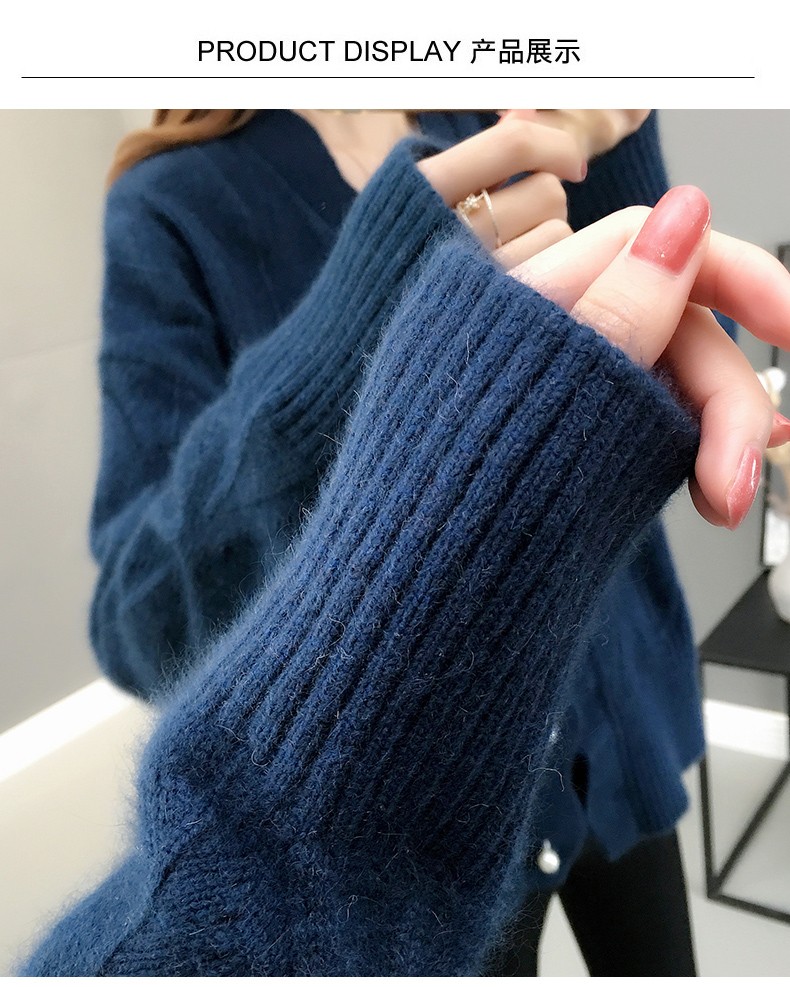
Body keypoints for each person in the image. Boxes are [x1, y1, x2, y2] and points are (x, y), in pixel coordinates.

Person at [17, 112, 790, 976]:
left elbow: (682, 355)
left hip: (616, 718)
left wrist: (621, 132)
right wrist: (348, 328)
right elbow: (138, 617)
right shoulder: (171, 202)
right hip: (412, 819)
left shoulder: (503, 110)